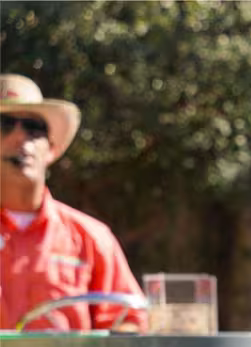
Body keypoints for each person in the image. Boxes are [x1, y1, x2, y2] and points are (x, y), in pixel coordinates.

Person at [0, 74, 146, 332]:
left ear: (52, 149)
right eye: (4, 125)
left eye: (34, 128)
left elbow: (129, 323)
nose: (20, 137)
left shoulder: (91, 236)